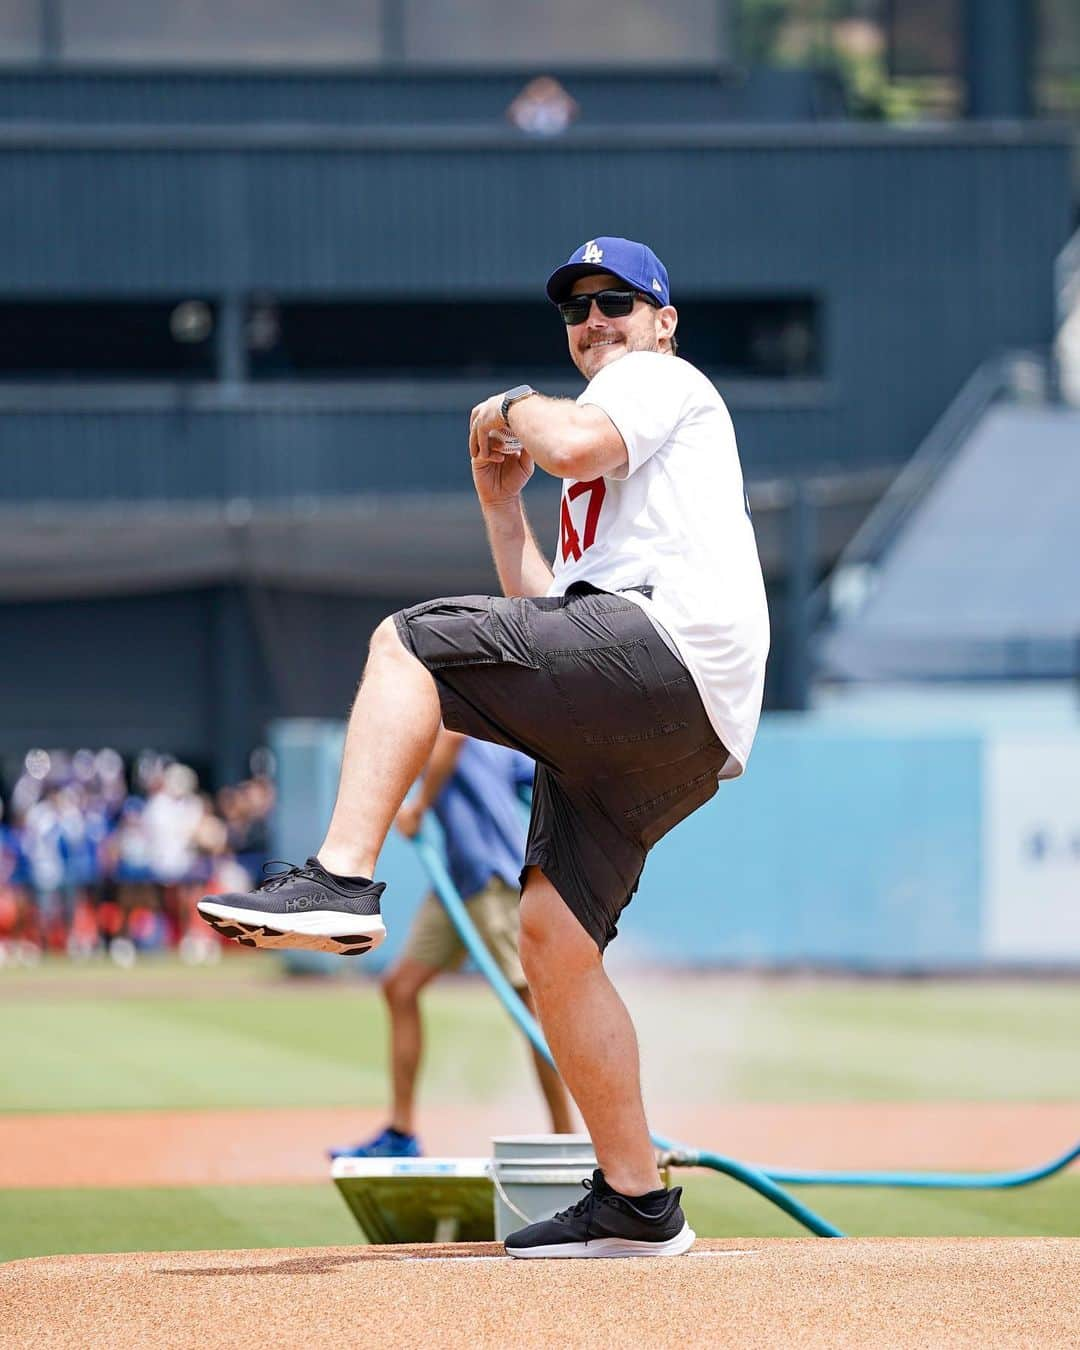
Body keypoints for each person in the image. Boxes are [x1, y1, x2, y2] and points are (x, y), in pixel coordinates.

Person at [199, 235, 770, 1258]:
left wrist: (511, 405)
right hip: (668, 720)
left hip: (669, 659)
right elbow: (543, 617)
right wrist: (502, 506)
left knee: (408, 642)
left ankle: (340, 878)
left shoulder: (657, 382)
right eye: (576, 310)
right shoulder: (611, 457)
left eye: (616, 302)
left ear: (663, 320)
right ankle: (638, 1204)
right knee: (552, 943)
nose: (595, 322)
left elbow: (575, 445)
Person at [328, 729, 573, 1160]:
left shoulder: (454, 706)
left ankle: (568, 1142)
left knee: (530, 1009)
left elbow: (453, 734)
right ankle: (401, 1135)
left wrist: (420, 806)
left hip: (490, 875)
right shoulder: (492, 730)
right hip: (458, 882)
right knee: (399, 988)